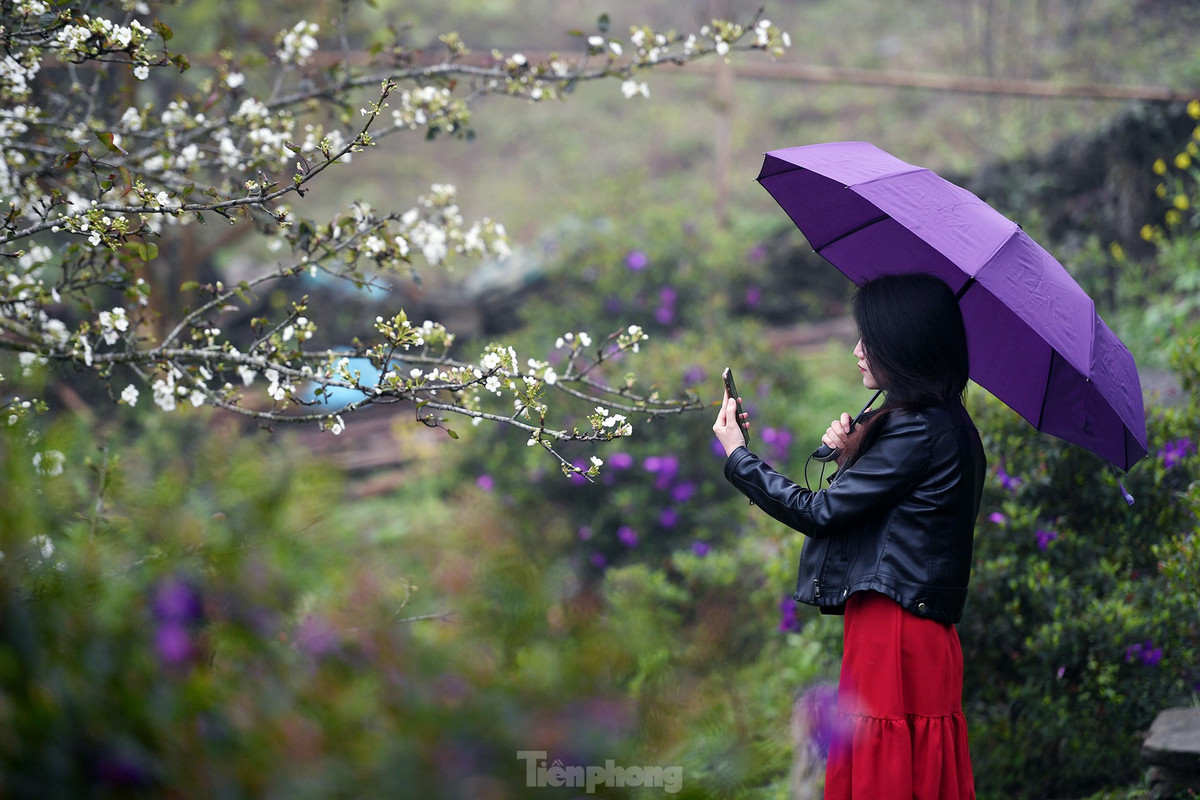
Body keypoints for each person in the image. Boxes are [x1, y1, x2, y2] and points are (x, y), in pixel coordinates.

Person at [712, 273, 986, 800]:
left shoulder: (916, 430)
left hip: (896, 628)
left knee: (885, 768)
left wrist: (738, 457)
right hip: (916, 627)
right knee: (910, 767)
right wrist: (852, 456)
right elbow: (896, 517)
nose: (857, 350)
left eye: (870, 339)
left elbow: (821, 513)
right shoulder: (943, 424)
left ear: (903, 345)